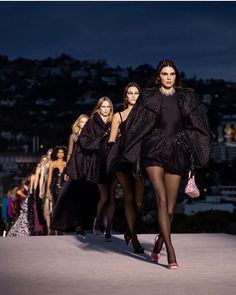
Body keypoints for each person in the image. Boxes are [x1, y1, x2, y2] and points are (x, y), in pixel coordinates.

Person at [120, 59, 212, 269]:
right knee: (161, 200)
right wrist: (136, 153)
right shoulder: (149, 96)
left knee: (170, 209)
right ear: (158, 76)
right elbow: (136, 124)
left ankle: (160, 240)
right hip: (153, 150)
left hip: (177, 152)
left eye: (172, 74)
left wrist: (189, 144)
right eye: (164, 74)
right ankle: (170, 250)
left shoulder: (186, 97)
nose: (169, 77)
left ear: (176, 76)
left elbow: (199, 124)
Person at [66, 97, 117, 240]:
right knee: (104, 197)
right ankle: (97, 222)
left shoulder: (114, 121)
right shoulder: (91, 123)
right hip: (99, 163)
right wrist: (102, 139)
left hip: (113, 162)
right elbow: (84, 141)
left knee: (112, 197)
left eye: (108, 107)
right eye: (103, 106)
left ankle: (108, 229)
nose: (106, 109)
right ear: (98, 107)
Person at [107, 82, 145, 253]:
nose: (133, 96)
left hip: (138, 160)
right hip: (121, 160)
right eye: (130, 93)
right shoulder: (118, 116)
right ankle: (135, 239)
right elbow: (112, 140)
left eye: (136, 93)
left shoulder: (145, 116)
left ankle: (129, 229)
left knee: (139, 202)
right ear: (126, 96)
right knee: (129, 196)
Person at [45, 146, 67, 234]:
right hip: (55, 188)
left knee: (63, 207)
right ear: (56, 154)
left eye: (62, 152)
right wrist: (47, 190)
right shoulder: (52, 164)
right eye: (59, 152)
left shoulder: (66, 163)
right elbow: (49, 177)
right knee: (56, 207)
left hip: (65, 187)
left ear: (64, 154)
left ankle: (62, 227)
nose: (60, 154)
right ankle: (56, 227)